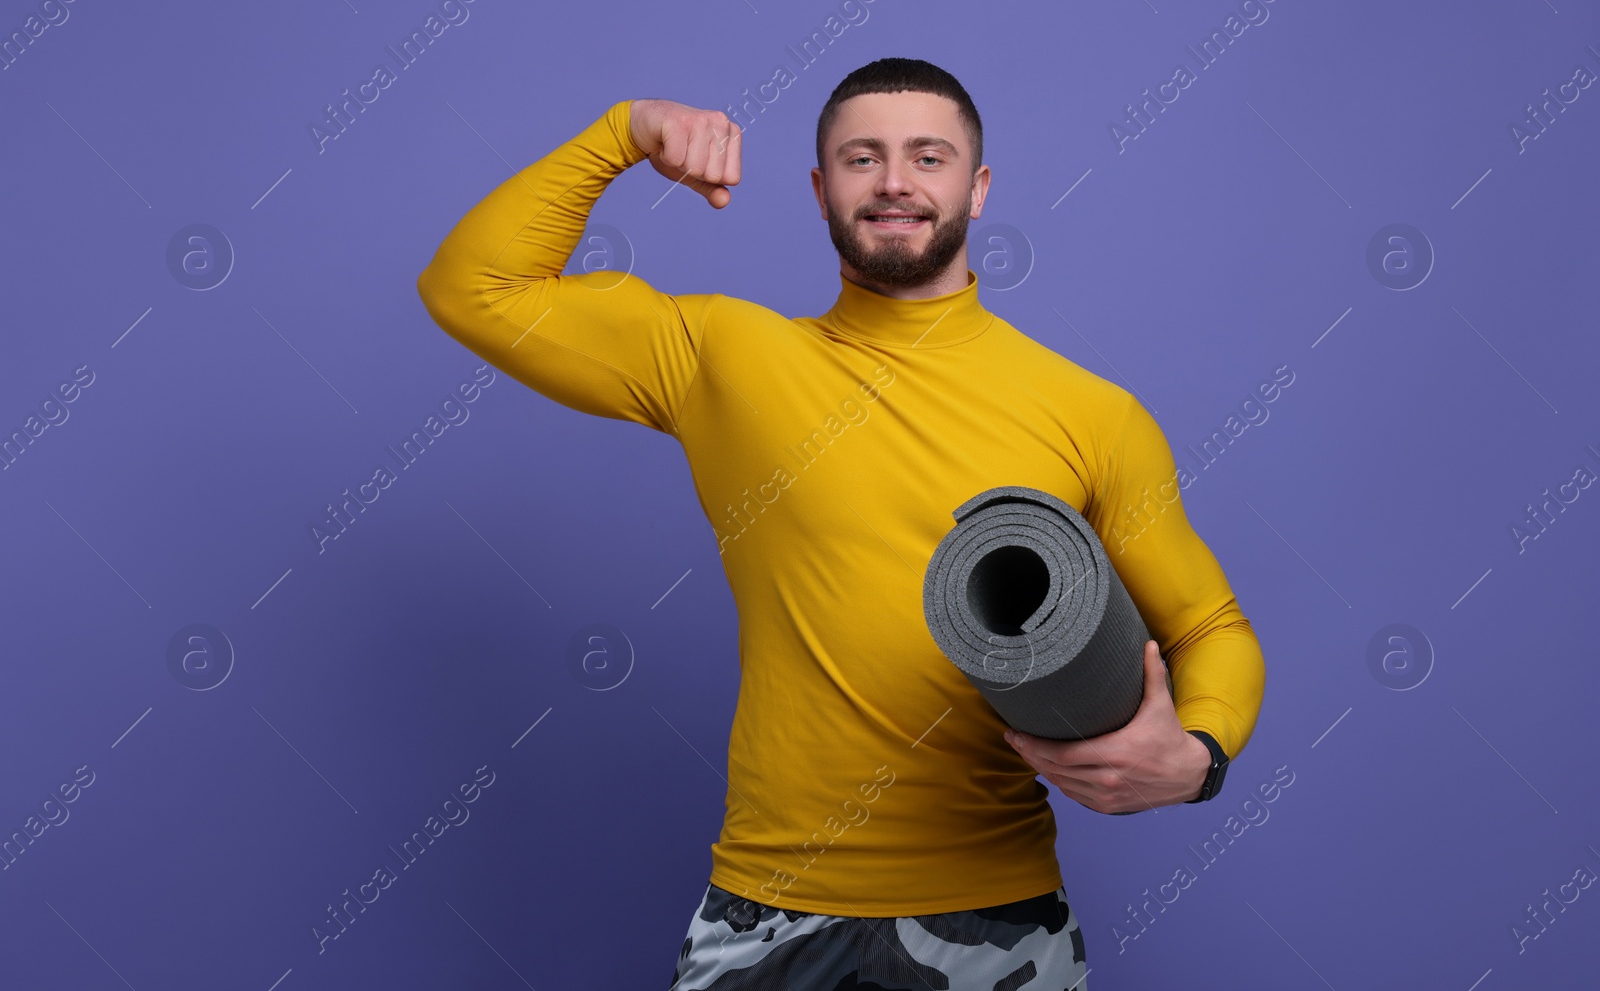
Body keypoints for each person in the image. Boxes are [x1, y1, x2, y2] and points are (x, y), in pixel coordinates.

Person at [417, 56, 1265, 989]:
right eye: (863, 158)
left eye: (928, 156)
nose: (896, 180)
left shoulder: (1094, 413)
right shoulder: (724, 356)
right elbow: (475, 288)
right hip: (766, 913)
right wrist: (624, 130)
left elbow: (1209, 627)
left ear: (977, 189)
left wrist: (1198, 757)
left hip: (1000, 920)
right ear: (822, 190)